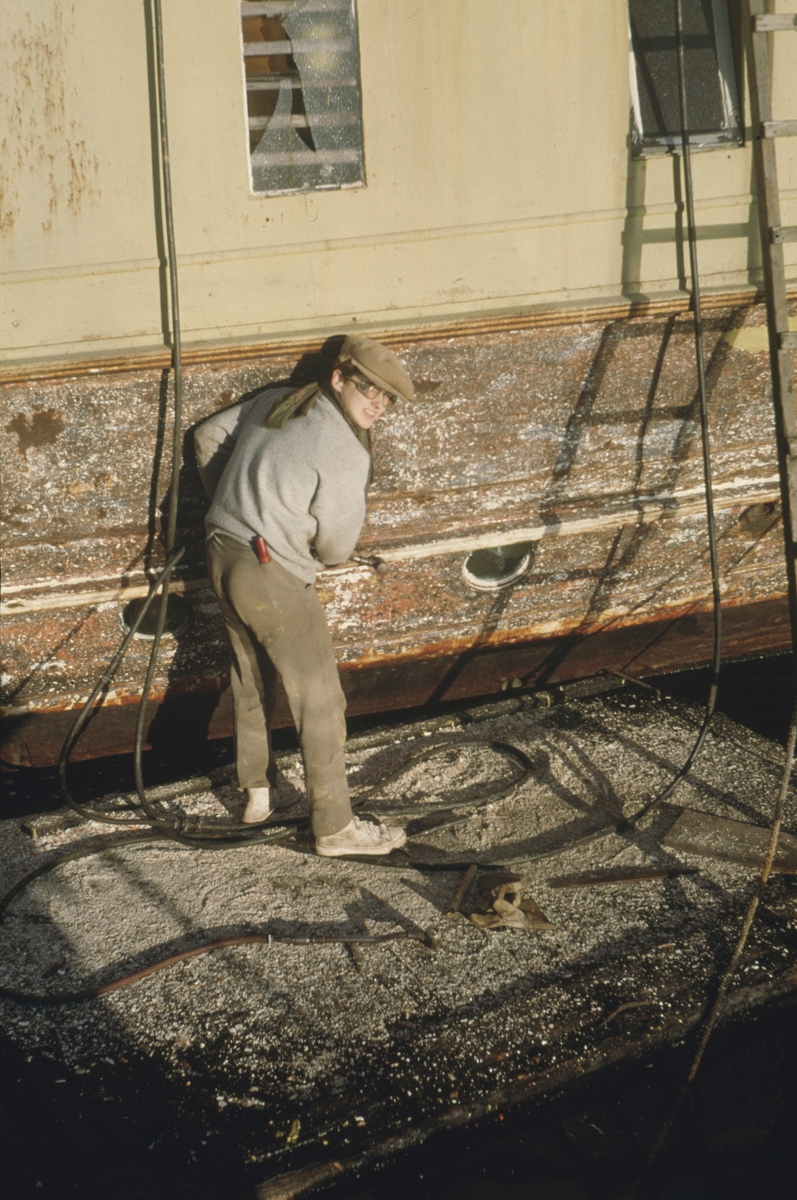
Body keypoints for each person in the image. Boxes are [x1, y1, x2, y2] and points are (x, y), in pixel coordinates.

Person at [194, 335, 414, 856]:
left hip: (221, 548)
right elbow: (336, 548)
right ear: (339, 378)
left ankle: (258, 793)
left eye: (386, 397)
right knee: (321, 699)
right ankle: (336, 828)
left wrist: (236, 504)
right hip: (270, 570)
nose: (377, 404)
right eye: (367, 389)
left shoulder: (278, 400)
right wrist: (292, 537)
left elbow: (207, 436)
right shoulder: (345, 449)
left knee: (251, 677)